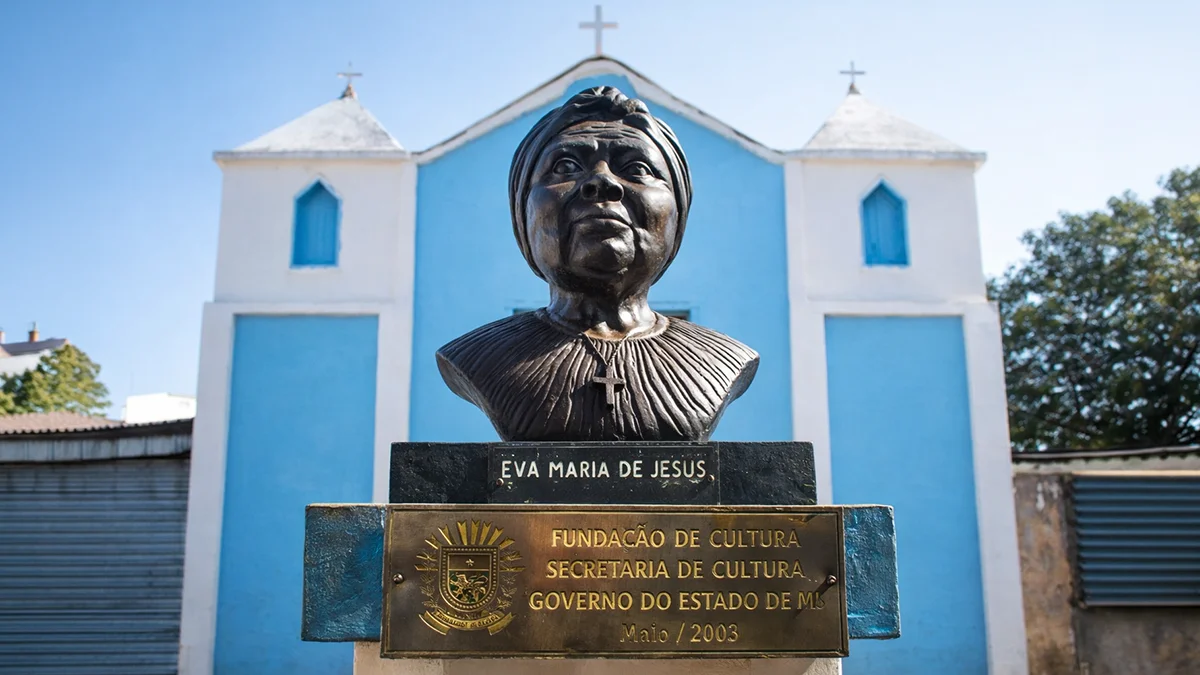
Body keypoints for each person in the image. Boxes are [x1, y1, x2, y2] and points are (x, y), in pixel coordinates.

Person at [437, 86, 758, 441]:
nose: (601, 182)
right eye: (565, 166)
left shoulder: (721, 362)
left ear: (677, 219)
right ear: (522, 215)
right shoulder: (478, 359)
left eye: (637, 168)